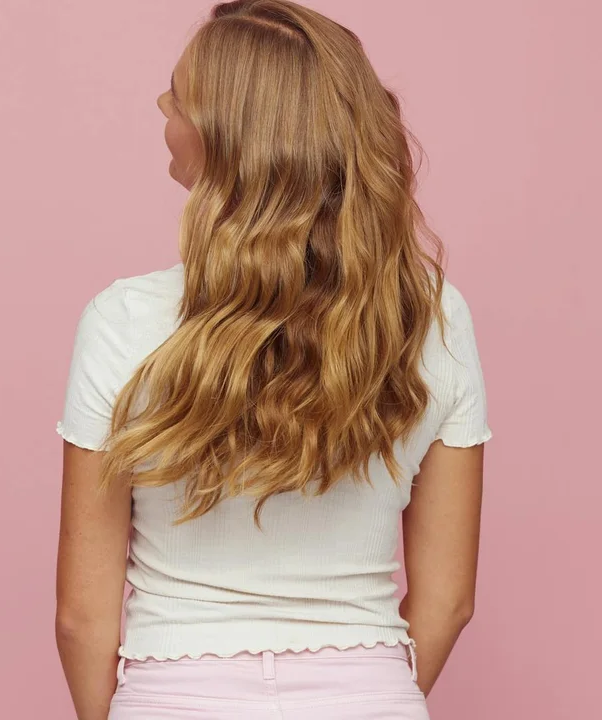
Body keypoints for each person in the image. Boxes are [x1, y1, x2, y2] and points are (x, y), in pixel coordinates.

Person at [52, 2, 491, 719]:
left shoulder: (123, 321)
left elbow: (80, 615)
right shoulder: (433, 317)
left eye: (176, 98)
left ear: (226, 139)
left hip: (175, 699)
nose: (162, 110)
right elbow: (448, 602)